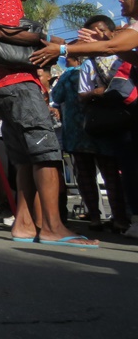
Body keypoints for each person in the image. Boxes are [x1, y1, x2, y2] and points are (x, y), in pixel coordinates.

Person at [0, 0, 97, 247]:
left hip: (2, 87)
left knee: (24, 158)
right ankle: (52, 226)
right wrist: (47, 40)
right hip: (19, 84)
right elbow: (6, 30)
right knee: (46, 153)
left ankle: (24, 224)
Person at [35, 0, 138, 239]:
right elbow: (123, 52)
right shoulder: (128, 31)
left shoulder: (132, 29)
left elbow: (113, 47)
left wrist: (63, 48)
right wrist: (103, 45)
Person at [50, 43, 129, 232]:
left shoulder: (68, 76)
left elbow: (57, 96)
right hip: (104, 129)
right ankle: (119, 218)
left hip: (77, 134)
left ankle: (94, 218)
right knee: (111, 176)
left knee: (85, 177)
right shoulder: (110, 67)